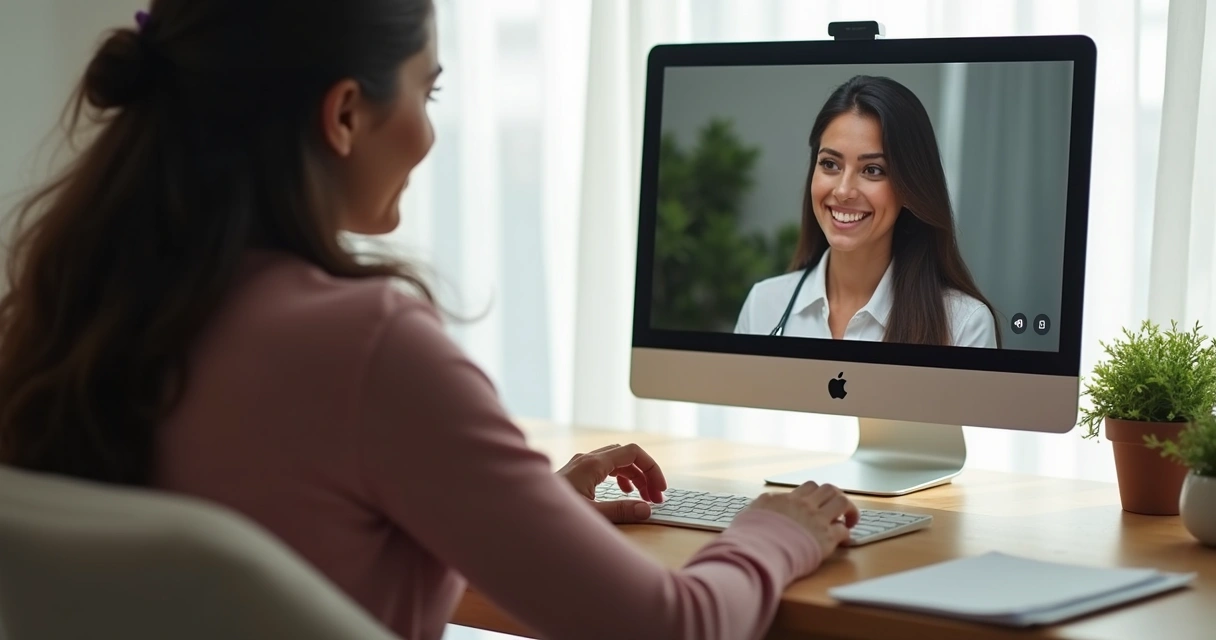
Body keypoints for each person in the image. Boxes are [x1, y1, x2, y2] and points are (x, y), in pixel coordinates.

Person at [0, 2, 861, 639]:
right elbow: (674, 627)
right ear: (345, 114)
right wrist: (775, 532)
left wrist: (525, 514)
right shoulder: (365, 346)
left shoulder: (71, 308)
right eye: (429, 90)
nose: (429, 132)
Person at [735, 75, 1001, 348]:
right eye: (830, 164)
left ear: (910, 186)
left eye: (872, 170)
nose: (843, 191)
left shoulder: (965, 325)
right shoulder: (762, 306)